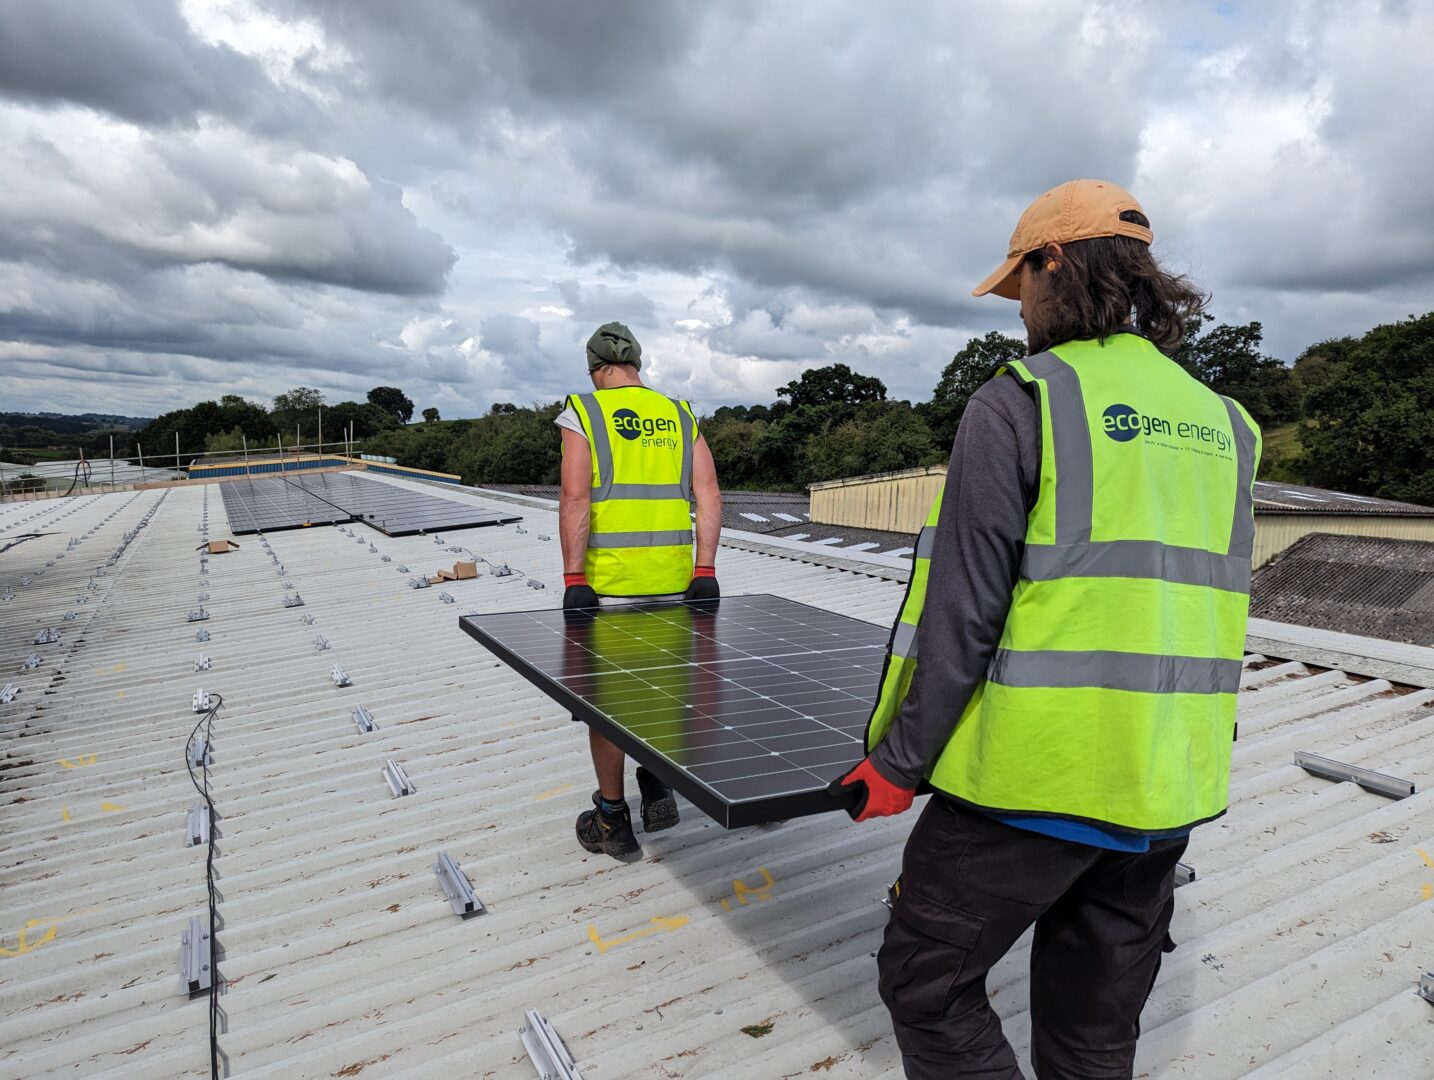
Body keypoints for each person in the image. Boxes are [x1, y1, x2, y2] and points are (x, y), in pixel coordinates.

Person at [836, 180, 1261, 1078]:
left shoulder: (1024, 399)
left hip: (1034, 782)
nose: (1018, 309)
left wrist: (898, 763)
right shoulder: (1229, 424)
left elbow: (964, 614)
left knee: (925, 983)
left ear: (1053, 264)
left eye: (1019, 283)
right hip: (1162, 787)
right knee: (1094, 1030)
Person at [556, 322, 724, 862]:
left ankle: (612, 820)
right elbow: (709, 493)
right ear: (637, 364)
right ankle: (656, 783)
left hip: (611, 589)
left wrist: (573, 578)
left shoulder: (583, 412)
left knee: (607, 708)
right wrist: (706, 568)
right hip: (677, 585)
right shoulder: (679, 413)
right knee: (663, 692)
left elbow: (575, 498)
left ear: (595, 367)